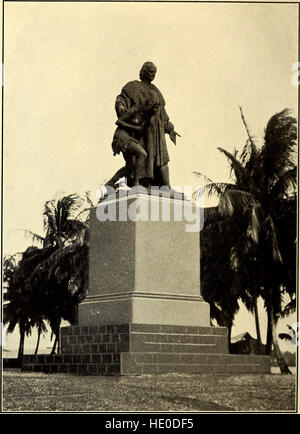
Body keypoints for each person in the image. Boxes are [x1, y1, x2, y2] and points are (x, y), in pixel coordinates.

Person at [115, 62, 180, 188]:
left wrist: (170, 128)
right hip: (144, 129)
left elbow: (163, 113)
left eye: (155, 73)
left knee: (162, 158)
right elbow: (121, 98)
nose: (153, 75)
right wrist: (120, 105)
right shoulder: (133, 86)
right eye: (151, 72)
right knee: (146, 157)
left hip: (158, 130)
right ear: (143, 71)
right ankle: (145, 184)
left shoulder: (156, 91)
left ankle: (166, 187)